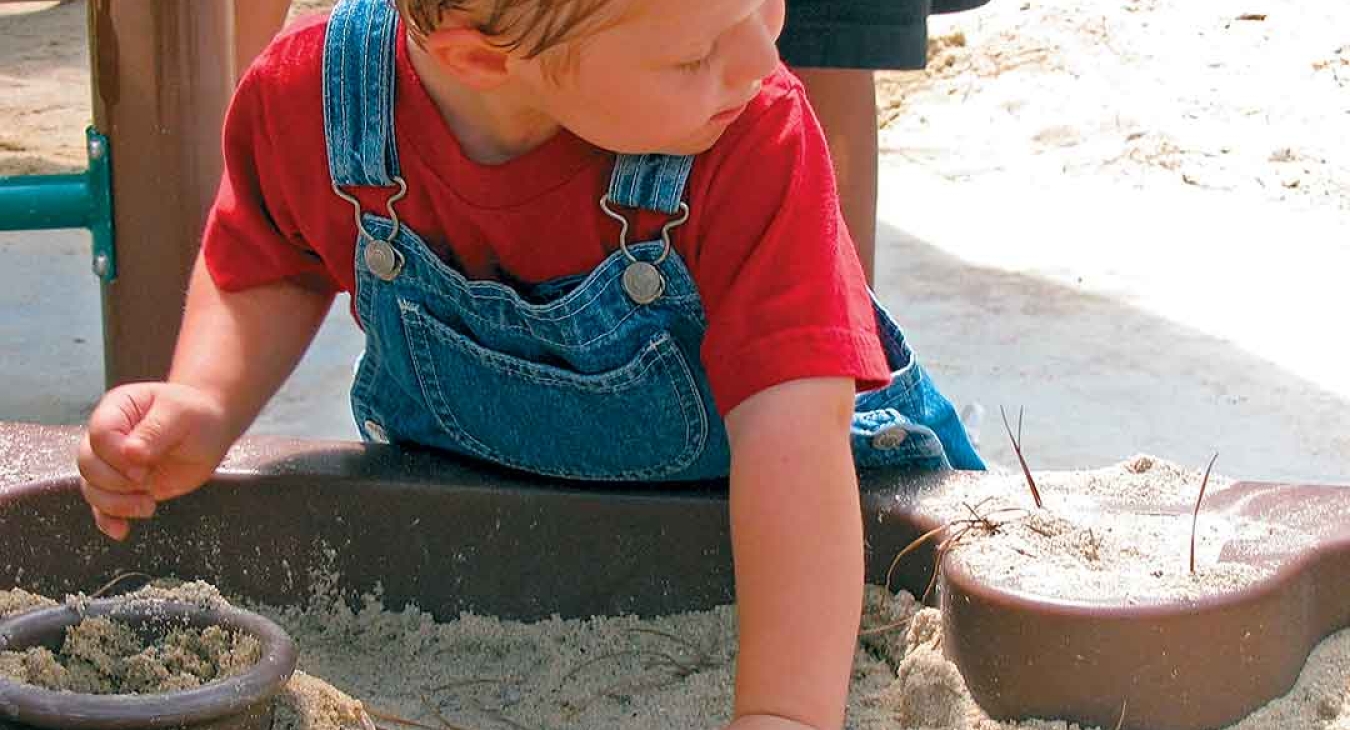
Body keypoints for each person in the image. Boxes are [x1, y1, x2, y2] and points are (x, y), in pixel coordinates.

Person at [78, 1, 984, 728]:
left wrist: (784, 710)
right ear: (481, 58)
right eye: (693, 51)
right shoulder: (324, 97)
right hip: (501, 527)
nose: (760, 53)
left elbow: (793, 443)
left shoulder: (753, 130)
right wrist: (205, 397)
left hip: (793, 515)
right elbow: (269, 260)